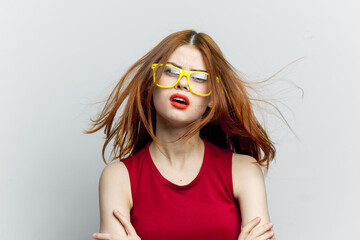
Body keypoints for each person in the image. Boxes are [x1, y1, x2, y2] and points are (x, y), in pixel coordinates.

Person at [85, 30, 277, 240]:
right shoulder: (118, 178)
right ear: (151, 83)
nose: (182, 83)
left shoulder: (244, 171)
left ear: (213, 97)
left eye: (199, 77)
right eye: (171, 71)